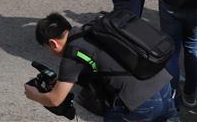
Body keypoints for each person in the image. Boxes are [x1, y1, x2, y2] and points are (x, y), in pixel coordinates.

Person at [24, 12, 177, 121]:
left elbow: (55, 100)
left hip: (139, 104)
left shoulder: (72, 52)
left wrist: (33, 94)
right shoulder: (91, 30)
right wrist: (61, 80)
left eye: (47, 48)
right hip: (164, 87)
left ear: (53, 43)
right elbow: (103, 64)